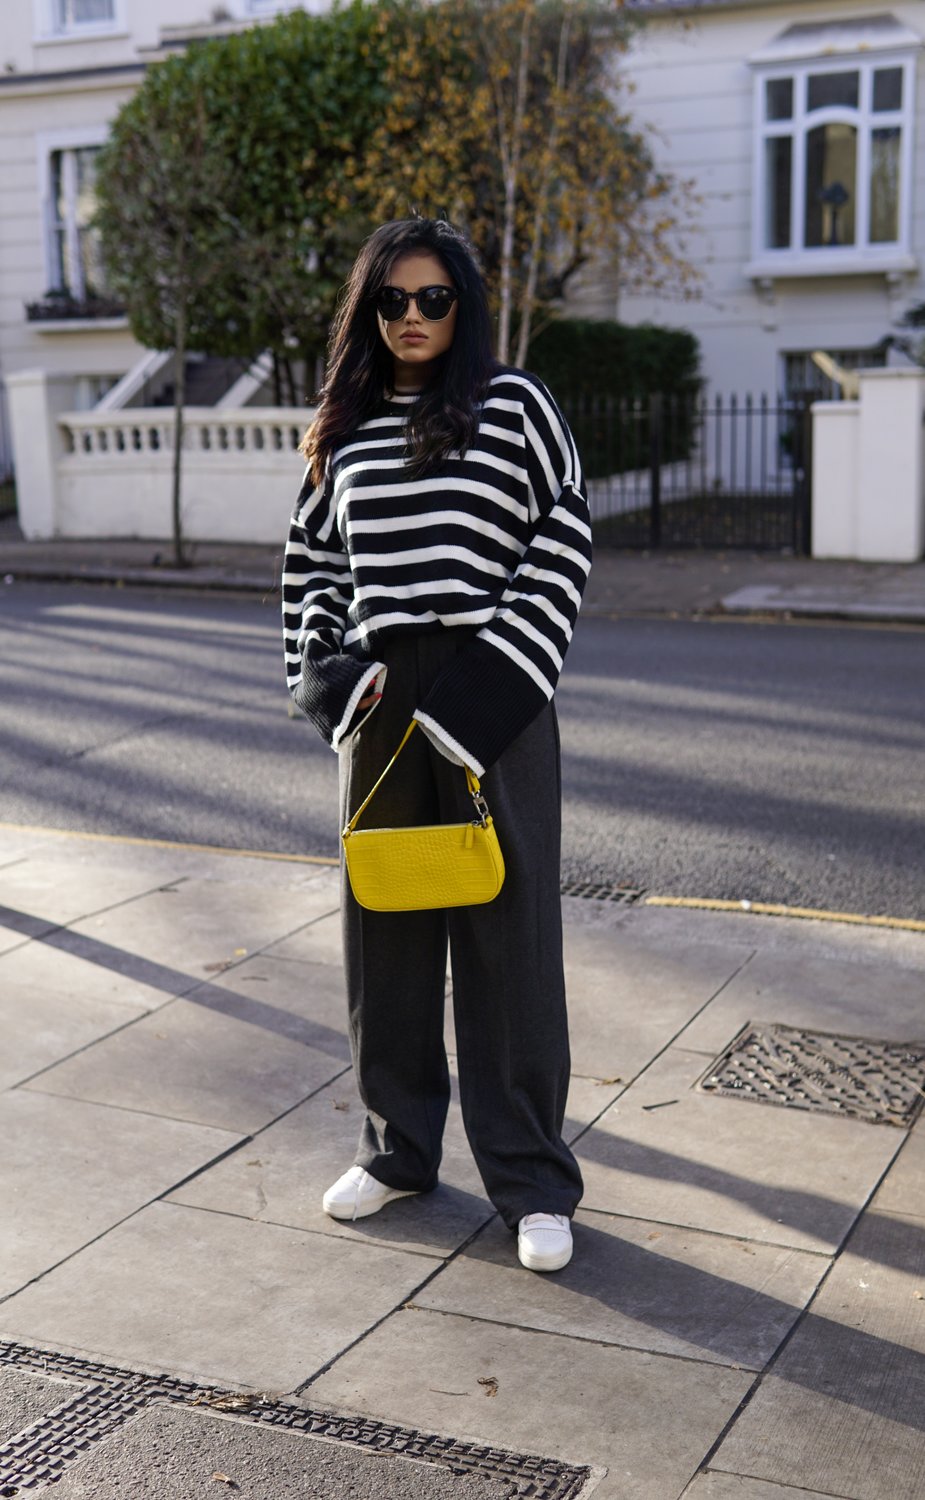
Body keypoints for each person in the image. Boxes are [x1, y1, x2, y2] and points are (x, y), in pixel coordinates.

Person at [282, 217, 591, 1273]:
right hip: (383, 702)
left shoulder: (515, 408)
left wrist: (497, 682)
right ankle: (398, 1150)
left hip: (495, 693)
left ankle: (533, 1182)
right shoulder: (345, 425)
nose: (412, 317)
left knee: (509, 948)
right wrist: (328, 679)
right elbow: (311, 567)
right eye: (392, 301)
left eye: (433, 299)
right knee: (388, 941)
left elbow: (563, 534)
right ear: (369, 314)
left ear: (464, 306)